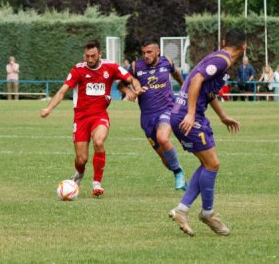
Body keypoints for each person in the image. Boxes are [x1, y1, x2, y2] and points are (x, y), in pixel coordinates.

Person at [167, 28, 246, 237]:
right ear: (244, 47)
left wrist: (222, 116)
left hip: (187, 115)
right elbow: (195, 80)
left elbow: (208, 92)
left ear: (223, 41)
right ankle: (207, 213)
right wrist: (191, 114)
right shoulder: (223, 60)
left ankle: (182, 210)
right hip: (188, 116)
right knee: (213, 164)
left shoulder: (219, 60)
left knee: (207, 164)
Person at [41, 40, 143, 197]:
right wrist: (49, 108)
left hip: (100, 115)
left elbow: (131, 79)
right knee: (81, 159)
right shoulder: (78, 69)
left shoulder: (111, 67)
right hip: (81, 118)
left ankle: (97, 183)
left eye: (93, 56)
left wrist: (135, 89)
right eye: (87, 56)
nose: (89, 59)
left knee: (99, 142)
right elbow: (63, 91)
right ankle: (79, 173)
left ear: (100, 54)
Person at [118, 39, 187, 191]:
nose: (146, 56)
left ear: (157, 52)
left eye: (149, 52)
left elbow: (176, 73)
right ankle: (177, 171)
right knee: (164, 158)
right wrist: (129, 91)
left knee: (163, 138)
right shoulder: (136, 66)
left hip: (167, 109)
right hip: (147, 116)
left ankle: (178, 173)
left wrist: (185, 88)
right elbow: (121, 84)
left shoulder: (166, 62)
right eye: (143, 53)